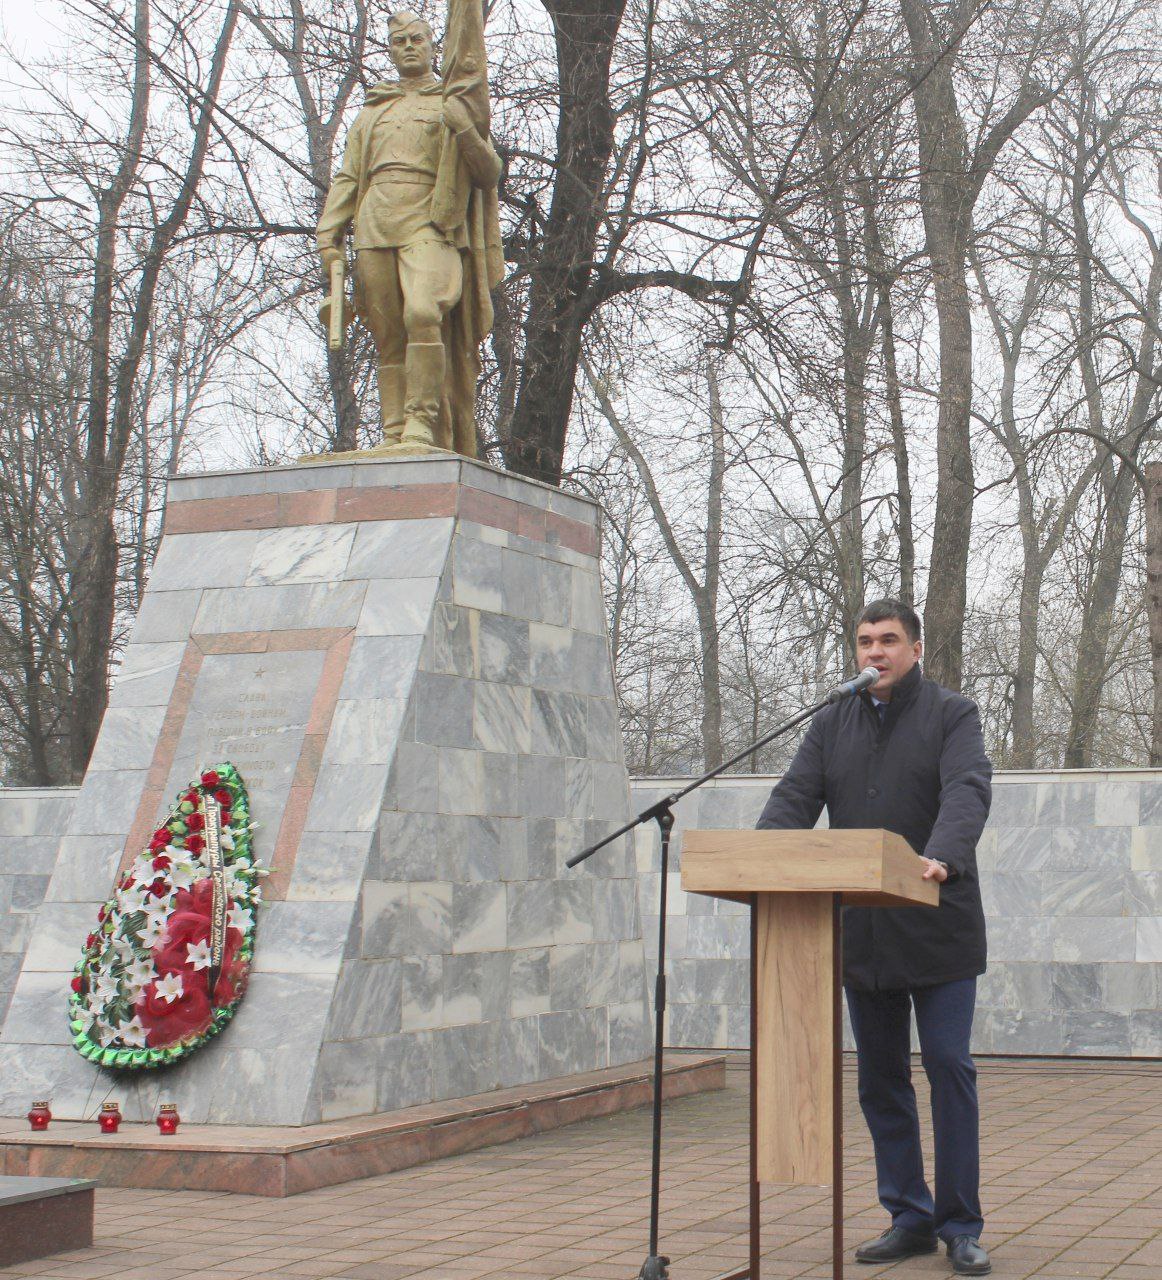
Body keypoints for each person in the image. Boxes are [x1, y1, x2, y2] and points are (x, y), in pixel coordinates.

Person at [756, 598, 992, 1276]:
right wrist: (767, 857)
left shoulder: (953, 715)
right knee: (880, 1080)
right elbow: (793, 799)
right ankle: (908, 1217)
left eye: (888, 640)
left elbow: (968, 790)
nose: (874, 653)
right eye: (864, 642)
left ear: (916, 649)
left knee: (948, 1067)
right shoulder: (831, 721)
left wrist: (943, 853)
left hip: (936, 925)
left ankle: (961, 1225)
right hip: (863, 935)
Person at [317, 10, 503, 455]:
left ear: (432, 45)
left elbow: (488, 172)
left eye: (416, 39)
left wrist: (463, 127)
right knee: (388, 337)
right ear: (390, 49)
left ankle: (422, 422)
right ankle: (394, 430)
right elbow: (348, 176)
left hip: (432, 222)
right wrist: (329, 234)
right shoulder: (373, 110)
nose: (408, 47)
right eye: (399, 41)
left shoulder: (452, 100)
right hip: (375, 224)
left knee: (423, 311)